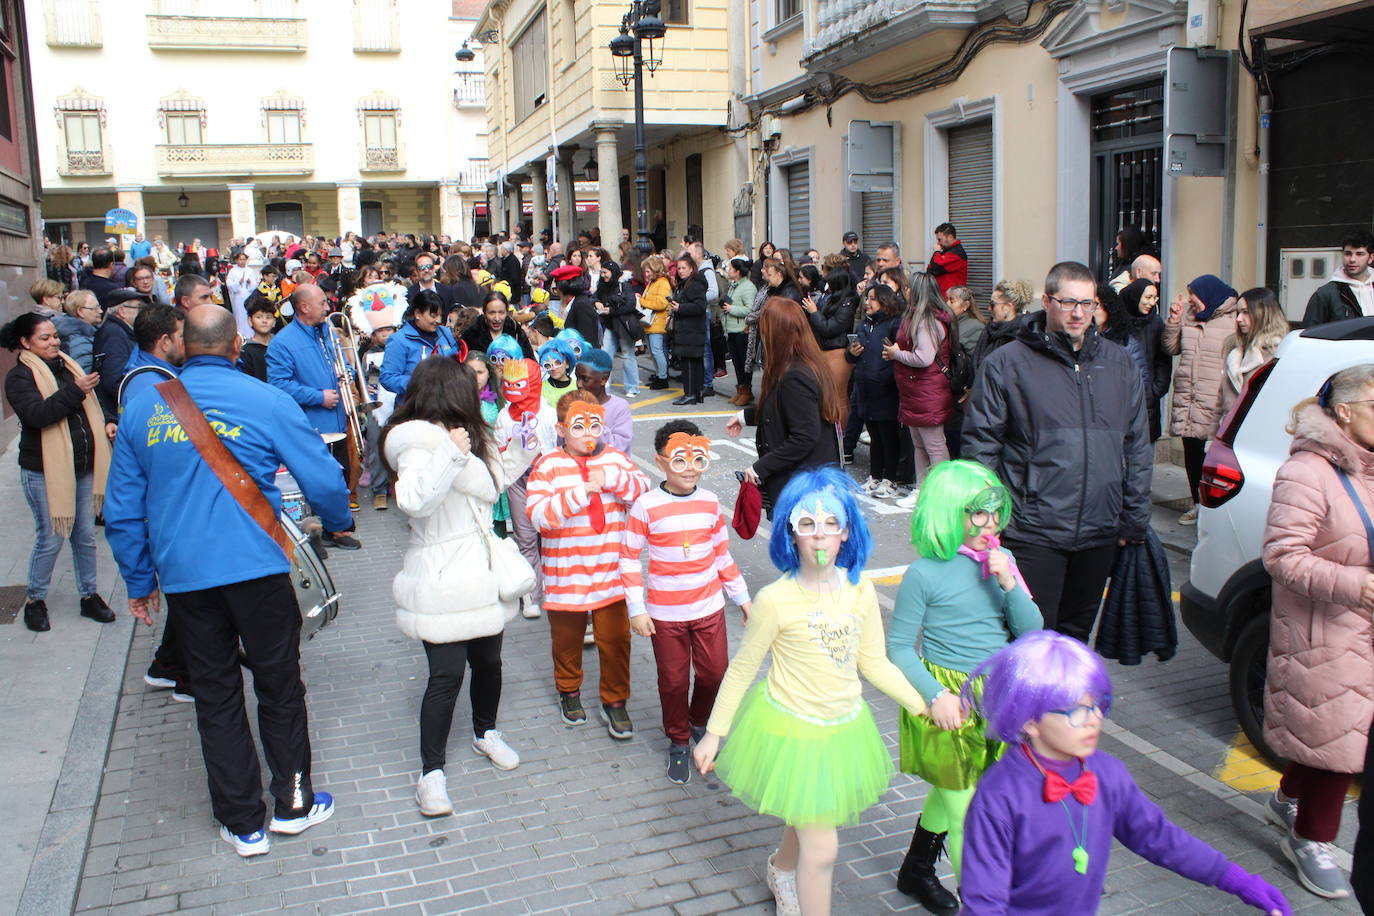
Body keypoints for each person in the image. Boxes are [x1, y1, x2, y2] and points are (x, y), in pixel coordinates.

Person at [104, 306, 350, 858]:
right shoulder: (264, 400)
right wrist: (337, 519)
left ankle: (242, 824)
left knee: (214, 694)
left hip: (187, 578)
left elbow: (123, 509)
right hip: (259, 570)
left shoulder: (144, 406)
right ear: (236, 345)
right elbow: (324, 475)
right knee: (279, 685)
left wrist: (140, 582)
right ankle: (292, 803)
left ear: (180, 346)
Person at [694, 467, 928, 916]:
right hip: (792, 730)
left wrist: (923, 704)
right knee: (821, 851)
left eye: (830, 525)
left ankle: (782, 869)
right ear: (790, 532)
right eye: (807, 525)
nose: (819, 537)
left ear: (846, 533)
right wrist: (714, 733)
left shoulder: (859, 590)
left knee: (807, 809)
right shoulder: (775, 601)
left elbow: (873, 662)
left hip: (842, 727)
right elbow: (742, 669)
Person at [957, 631, 1290, 915]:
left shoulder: (1106, 772)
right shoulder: (998, 798)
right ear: (1030, 720)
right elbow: (984, 902)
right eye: (1075, 711)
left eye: (1097, 705)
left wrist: (1236, 879)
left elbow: (1159, 838)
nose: (1093, 720)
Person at [962, 261, 1152, 642]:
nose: (1079, 313)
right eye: (1068, 303)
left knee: (1073, 643)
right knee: (1030, 639)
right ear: (1047, 301)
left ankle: (1063, 704)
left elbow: (1136, 446)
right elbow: (981, 447)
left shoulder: (1119, 363)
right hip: (1033, 531)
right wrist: (987, 519)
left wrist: (1134, 516)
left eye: (1087, 303)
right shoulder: (1007, 363)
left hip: (1099, 529)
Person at [381, 358, 536, 817]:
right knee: (446, 675)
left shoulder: (471, 434)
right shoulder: (416, 442)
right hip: (442, 573)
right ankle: (431, 773)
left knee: (488, 660)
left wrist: (521, 449)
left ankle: (485, 731)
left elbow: (490, 489)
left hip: (481, 566)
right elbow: (414, 501)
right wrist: (450, 453)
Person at [886, 462, 1042, 913]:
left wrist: (1010, 584)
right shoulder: (923, 574)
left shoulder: (1003, 561)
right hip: (947, 699)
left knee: (957, 788)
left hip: (997, 694)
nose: (989, 524)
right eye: (977, 514)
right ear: (948, 512)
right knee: (967, 813)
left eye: (995, 513)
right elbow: (898, 649)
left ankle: (915, 871)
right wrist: (936, 696)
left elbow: (1032, 631)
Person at [1260, 366, 1374, 901]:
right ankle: (1310, 839)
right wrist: (1358, 586)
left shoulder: (1368, 465)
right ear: (1346, 413)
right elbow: (1283, 556)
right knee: (1340, 737)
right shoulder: (1307, 470)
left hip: (1360, 629)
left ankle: (1285, 799)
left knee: (1324, 730)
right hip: (1324, 631)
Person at [620, 420, 751, 784]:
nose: (690, 468)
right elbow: (629, 558)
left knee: (714, 674)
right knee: (674, 682)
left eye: (698, 460)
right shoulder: (646, 506)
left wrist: (742, 599)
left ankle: (698, 721)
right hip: (665, 615)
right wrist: (637, 608)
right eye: (680, 460)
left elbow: (722, 555)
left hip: (709, 608)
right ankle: (678, 740)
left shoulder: (710, 503)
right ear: (661, 462)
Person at [524, 390, 650, 739]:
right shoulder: (547, 465)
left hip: (611, 568)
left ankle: (615, 700)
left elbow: (643, 491)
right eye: (578, 427)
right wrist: (580, 492)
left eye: (595, 425)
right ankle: (569, 690)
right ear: (561, 429)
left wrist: (612, 481)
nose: (588, 434)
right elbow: (538, 517)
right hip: (568, 570)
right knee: (567, 639)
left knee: (616, 640)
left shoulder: (615, 458)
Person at [2, 312, 115, 633]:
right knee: (50, 538)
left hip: (82, 466)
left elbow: (89, 405)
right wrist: (76, 391)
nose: (54, 342)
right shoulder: (19, 377)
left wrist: (107, 419)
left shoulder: (68, 365)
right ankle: (35, 600)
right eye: (45, 338)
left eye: (55, 336)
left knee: (84, 536)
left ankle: (89, 595)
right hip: (44, 471)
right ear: (24, 342)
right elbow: (38, 415)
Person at [727, 297, 843, 519]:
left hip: (802, 483)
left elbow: (805, 436)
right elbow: (780, 408)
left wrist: (760, 467)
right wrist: (744, 417)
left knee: (800, 547)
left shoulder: (795, 375)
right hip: (808, 479)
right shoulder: (804, 362)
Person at [266, 285, 362, 549]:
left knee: (338, 477)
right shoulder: (283, 342)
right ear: (304, 307)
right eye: (322, 303)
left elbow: (342, 365)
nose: (327, 307)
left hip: (338, 421)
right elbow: (278, 384)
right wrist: (318, 397)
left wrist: (349, 376)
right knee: (314, 483)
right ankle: (313, 535)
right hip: (311, 424)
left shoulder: (328, 332)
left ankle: (336, 528)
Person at [1163, 274, 1240, 525]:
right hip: (1188, 396)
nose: (1191, 305)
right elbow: (1170, 348)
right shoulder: (1190, 319)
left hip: (1215, 399)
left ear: (1210, 296)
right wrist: (1174, 322)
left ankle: (1214, 506)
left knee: (1215, 456)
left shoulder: (1233, 322)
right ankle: (1197, 504)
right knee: (1191, 451)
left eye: (1194, 300)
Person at [493, 357, 559, 621]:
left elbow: (557, 447)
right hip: (518, 482)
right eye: (509, 384)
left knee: (551, 536)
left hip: (548, 480)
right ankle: (531, 594)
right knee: (526, 536)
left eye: (519, 383)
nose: (513, 389)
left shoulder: (548, 412)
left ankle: (553, 587)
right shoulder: (503, 415)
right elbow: (499, 449)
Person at [889, 271, 954, 508]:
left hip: (927, 391)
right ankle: (922, 490)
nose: (904, 291)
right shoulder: (920, 317)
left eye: (908, 288)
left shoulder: (927, 321)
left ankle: (940, 494)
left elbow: (924, 358)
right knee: (920, 444)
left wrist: (897, 354)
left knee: (934, 445)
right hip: (918, 390)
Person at [848, 284, 904, 498]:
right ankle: (875, 477)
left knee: (888, 436)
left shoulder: (893, 324)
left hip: (885, 388)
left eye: (873, 298)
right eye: (866, 298)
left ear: (884, 301)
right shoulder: (864, 325)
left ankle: (889, 479)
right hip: (865, 386)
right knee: (874, 436)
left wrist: (884, 377)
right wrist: (851, 353)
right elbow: (852, 355)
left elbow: (897, 357)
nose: (867, 302)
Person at [380, 289, 462, 403]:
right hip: (414, 408)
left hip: (446, 405)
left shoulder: (444, 333)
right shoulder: (399, 340)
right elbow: (387, 378)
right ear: (418, 314)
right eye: (433, 316)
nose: (438, 320)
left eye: (440, 315)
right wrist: (420, 383)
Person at [802, 264, 859, 427]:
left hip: (838, 353)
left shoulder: (847, 304)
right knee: (827, 397)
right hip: (825, 351)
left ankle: (842, 438)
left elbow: (829, 329)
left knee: (838, 397)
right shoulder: (833, 299)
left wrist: (814, 312)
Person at [1116, 278, 1171, 441]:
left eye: (1155, 298)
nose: (1151, 303)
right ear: (1135, 296)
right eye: (1148, 297)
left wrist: (1156, 390)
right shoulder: (1118, 321)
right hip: (1120, 399)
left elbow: (1163, 359)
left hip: (1148, 401)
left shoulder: (1155, 322)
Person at [1220, 287, 1288, 415]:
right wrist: (1214, 433)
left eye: (1245, 312)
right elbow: (1220, 403)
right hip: (1228, 430)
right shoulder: (1234, 349)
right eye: (1238, 313)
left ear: (1263, 313)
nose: (1239, 319)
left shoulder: (1278, 352)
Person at [93, 289, 152, 415]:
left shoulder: (120, 331)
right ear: (122, 311)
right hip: (119, 410)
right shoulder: (115, 335)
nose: (143, 312)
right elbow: (115, 381)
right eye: (139, 308)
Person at [1301, 231, 1373, 326]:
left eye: (1359, 254)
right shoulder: (1325, 294)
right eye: (1348, 254)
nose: (1352, 259)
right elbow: (1309, 333)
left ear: (1371, 258)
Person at [670, 253, 709, 406]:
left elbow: (700, 306)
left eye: (683, 268)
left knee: (690, 364)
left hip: (691, 331)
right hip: (688, 330)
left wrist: (680, 308)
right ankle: (696, 393)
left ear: (691, 269)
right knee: (691, 363)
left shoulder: (694, 284)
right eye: (678, 268)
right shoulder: (685, 283)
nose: (680, 271)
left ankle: (691, 394)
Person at [575, 347, 632, 452]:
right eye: (577, 378)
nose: (579, 384)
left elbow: (619, 447)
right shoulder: (573, 406)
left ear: (603, 379)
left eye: (585, 379)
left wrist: (592, 421)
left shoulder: (620, 407)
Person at [972, 278, 1034, 374]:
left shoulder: (1020, 337)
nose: (989, 308)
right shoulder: (989, 330)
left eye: (993, 304)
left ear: (1008, 307)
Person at [722, 256, 757, 406]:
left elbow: (750, 309)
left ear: (737, 272)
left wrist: (732, 309)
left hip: (742, 329)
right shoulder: (733, 285)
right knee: (736, 362)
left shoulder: (748, 287)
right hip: (731, 328)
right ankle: (740, 389)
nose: (728, 271)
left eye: (730, 268)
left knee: (744, 362)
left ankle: (747, 391)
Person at [641, 255, 673, 389]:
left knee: (657, 351)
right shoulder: (653, 282)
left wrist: (641, 301)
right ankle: (659, 374)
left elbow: (661, 303)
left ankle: (663, 377)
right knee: (654, 352)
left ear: (655, 270)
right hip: (650, 322)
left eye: (648, 271)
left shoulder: (662, 283)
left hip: (657, 322)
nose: (646, 274)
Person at [53, 290, 101, 371]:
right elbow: (85, 376)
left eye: (99, 307)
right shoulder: (78, 341)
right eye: (95, 308)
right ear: (80, 311)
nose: (100, 311)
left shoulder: (87, 332)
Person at [238, 298, 278, 383]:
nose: (264, 321)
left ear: (274, 322)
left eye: (268, 317)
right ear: (250, 320)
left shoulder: (280, 346)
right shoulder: (245, 351)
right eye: (259, 317)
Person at [406, 251, 456, 315]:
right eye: (422, 268)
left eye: (429, 266)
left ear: (434, 268)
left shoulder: (447, 291)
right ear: (417, 271)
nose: (426, 270)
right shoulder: (409, 294)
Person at [926, 223, 968, 295]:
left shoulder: (956, 254)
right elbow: (930, 270)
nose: (938, 243)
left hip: (952, 299)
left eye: (940, 240)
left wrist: (936, 251)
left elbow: (935, 267)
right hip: (943, 297)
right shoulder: (946, 251)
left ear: (950, 237)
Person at [537, 337, 577, 408]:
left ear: (567, 363)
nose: (554, 368)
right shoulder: (540, 389)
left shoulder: (577, 387)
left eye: (558, 362)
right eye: (548, 365)